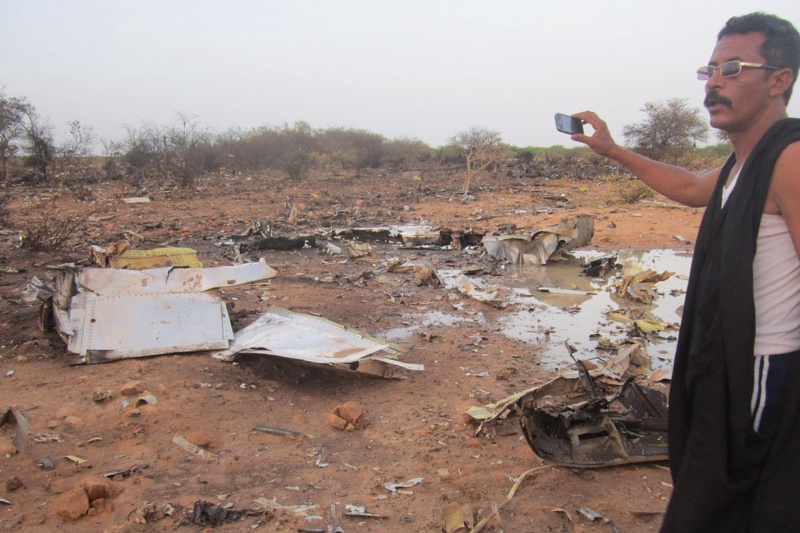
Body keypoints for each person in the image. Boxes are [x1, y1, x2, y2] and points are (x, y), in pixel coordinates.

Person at [571, 12, 800, 533]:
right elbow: (690, 188)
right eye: (711, 69)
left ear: (779, 80)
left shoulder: (790, 157)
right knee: (712, 495)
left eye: (734, 68)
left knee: (736, 502)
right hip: (723, 366)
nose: (715, 82)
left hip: (761, 371)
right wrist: (611, 150)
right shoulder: (743, 163)